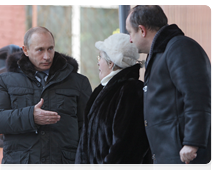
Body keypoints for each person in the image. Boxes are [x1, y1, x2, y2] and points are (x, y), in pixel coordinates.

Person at [0, 26, 92, 170]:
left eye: (50, 49)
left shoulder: (78, 82)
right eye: (40, 50)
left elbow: (88, 128)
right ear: (25, 50)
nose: (47, 56)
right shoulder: (4, 81)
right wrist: (30, 116)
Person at [126, 5, 213, 170]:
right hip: (170, 157)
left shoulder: (179, 47)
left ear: (142, 30)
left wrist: (192, 142)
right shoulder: (161, 53)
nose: (130, 39)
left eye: (130, 32)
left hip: (186, 158)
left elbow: (198, 95)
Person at [74, 33, 152, 170]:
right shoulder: (103, 90)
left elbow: (126, 147)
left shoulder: (131, 91)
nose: (98, 62)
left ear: (111, 63)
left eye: (100, 57)